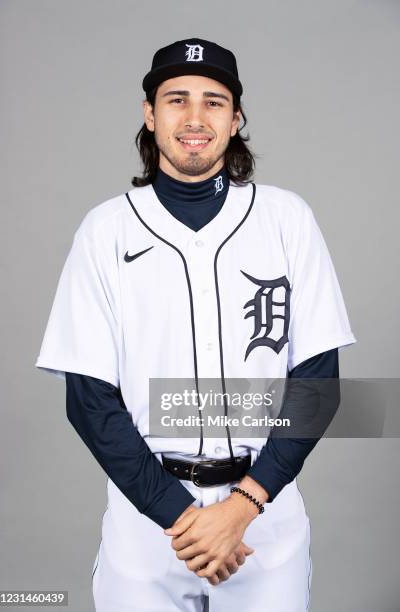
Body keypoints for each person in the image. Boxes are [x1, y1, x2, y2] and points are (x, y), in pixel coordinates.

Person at [35, 37, 356, 611]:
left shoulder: (287, 220)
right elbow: (88, 399)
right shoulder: (105, 232)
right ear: (149, 115)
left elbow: (318, 383)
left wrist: (241, 510)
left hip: (265, 515)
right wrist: (184, 519)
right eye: (176, 98)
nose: (193, 117)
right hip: (147, 521)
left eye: (213, 101)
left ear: (235, 119)